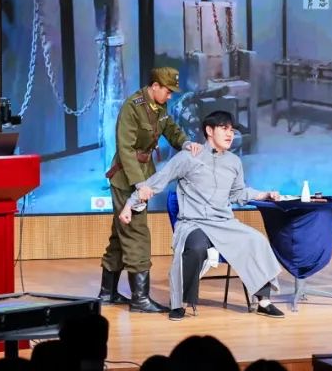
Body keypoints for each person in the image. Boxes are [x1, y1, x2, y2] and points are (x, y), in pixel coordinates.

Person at [119, 110, 284, 321]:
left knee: (257, 240)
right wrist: (130, 204)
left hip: (224, 223)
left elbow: (238, 193)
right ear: (209, 130)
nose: (230, 134)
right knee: (195, 247)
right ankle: (180, 303)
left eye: (231, 130)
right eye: (224, 129)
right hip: (193, 223)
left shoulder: (234, 162)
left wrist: (264, 194)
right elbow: (158, 181)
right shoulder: (189, 157)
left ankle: (263, 301)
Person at [100, 67, 202, 313]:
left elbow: (170, 129)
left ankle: (107, 292)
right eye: (168, 91)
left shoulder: (159, 106)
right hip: (126, 177)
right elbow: (125, 149)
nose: (170, 96)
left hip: (145, 171)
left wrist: (185, 143)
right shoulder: (132, 107)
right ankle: (140, 299)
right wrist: (139, 183)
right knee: (137, 235)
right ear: (154, 86)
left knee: (121, 236)